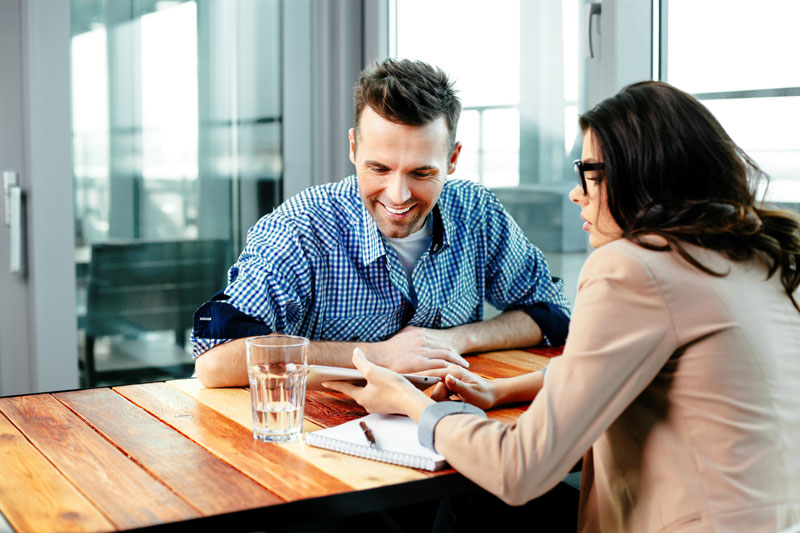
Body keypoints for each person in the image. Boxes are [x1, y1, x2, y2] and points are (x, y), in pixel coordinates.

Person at [327, 81, 800, 531]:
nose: (577, 191)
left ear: (645, 176)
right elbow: (631, 369)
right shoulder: (761, 257)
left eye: (590, 172)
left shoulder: (632, 266)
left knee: (482, 503)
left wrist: (407, 402)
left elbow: (521, 470)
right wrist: (500, 390)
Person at [192, 59, 570, 387]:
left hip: (452, 432)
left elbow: (551, 312)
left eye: (422, 172)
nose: (398, 195)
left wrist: (455, 340)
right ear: (354, 148)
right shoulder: (300, 227)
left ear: (452, 159)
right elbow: (217, 360)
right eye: (379, 168)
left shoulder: (475, 210)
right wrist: (380, 355)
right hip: (321, 444)